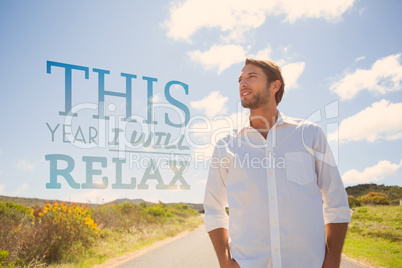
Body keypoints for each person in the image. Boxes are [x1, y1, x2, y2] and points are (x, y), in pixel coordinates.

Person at [203, 58, 352, 268]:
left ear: (275, 85)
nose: (242, 83)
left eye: (251, 77)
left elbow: (336, 202)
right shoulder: (226, 144)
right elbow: (213, 207)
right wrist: (225, 261)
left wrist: (333, 259)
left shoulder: (309, 134)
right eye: (240, 79)